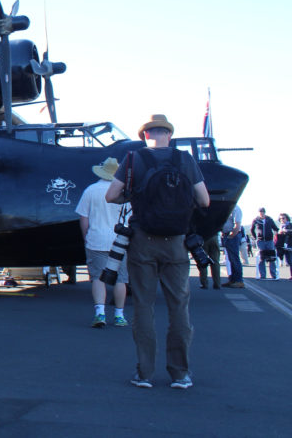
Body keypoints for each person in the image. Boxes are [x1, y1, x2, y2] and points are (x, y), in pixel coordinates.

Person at [105, 114, 209, 390]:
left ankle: (145, 373)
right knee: (179, 307)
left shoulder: (133, 159)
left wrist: (134, 194)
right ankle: (180, 374)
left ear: (144, 135)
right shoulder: (185, 160)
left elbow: (111, 196)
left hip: (143, 240)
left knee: (143, 305)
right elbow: (205, 200)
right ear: (169, 135)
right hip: (176, 241)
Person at [75, 157, 128, 327]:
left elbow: (84, 218)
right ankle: (119, 315)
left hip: (96, 239)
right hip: (120, 241)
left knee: (98, 278)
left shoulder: (90, 190)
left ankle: (100, 314)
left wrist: (86, 236)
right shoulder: (124, 192)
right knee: (121, 280)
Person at [251, 207, 279, 280]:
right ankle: (262, 275)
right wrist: (255, 237)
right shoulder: (256, 220)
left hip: (269, 241)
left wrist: (276, 236)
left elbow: (275, 228)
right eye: (260, 212)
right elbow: (252, 230)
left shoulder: (269, 219)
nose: (262, 213)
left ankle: (273, 275)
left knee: (271, 258)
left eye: (263, 211)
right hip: (260, 241)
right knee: (262, 258)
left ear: (265, 212)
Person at [221, 205, 245, 288]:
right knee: (231, 259)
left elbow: (237, 225)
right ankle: (233, 279)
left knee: (234, 258)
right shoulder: (229, 208)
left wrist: (231, 236)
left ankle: (239, 281)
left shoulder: (236, 209)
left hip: (232, 235)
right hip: (227, 234)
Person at [276, 213, 292, 279]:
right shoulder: (281, 226)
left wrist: (286, 231)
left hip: (290, 244)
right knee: (288, 261)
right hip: (284, 245)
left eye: (283, 218)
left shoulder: (290, 224)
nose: (282, 220)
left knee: (291, 260)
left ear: (287, 218)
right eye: (280, 218)